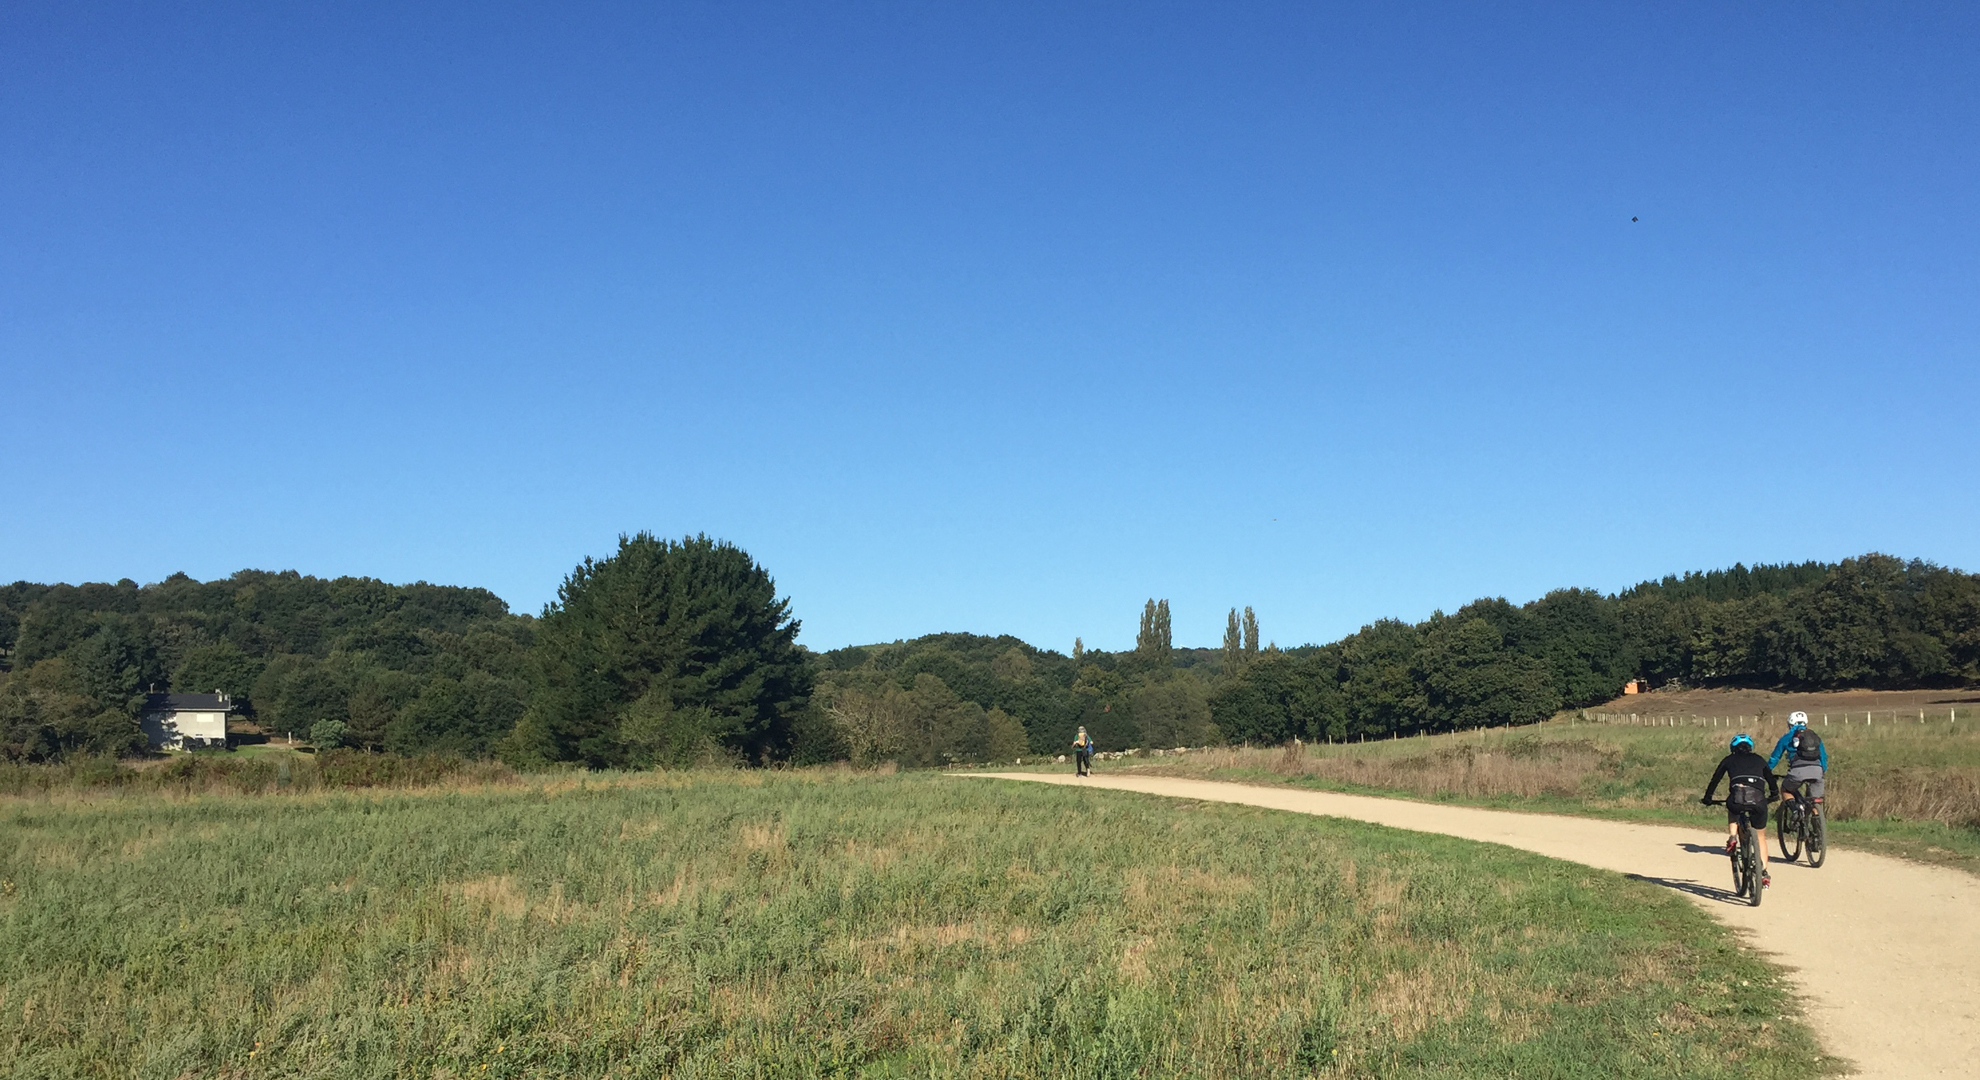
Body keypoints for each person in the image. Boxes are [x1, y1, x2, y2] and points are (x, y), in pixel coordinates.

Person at [1701, 733, 1778, 888]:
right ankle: (1763, 873)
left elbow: (1715, 779)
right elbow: (1770, 779)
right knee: (1761, 837)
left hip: (1738, 799)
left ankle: (1732, 837)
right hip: (1759, 801)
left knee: (1732, 807)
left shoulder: (1729, 759)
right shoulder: (1759, 759)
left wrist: (1708, 798)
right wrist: (1774, 795)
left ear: (1733, 748)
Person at [1768, 711, 1827, 808]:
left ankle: (1795, 809)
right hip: (1817, 770)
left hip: (1797, 771)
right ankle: (1817, 814)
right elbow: (1823, 756)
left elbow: (1775, 757)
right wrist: (1823, 770)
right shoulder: (1814, 736)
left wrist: (1767, 771)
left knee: (1785, 789)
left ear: (1790, 725)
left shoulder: (1787, 738)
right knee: (1815, 800)